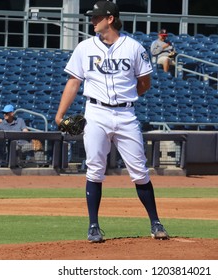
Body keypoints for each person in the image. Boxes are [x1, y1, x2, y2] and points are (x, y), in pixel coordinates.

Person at [55, 0, 168, 243]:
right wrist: (59, 115)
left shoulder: (134, 48)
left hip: (126, 114)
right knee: (95, 169)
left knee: (139, 171)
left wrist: (128, 96)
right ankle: (93, 226)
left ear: (110, 19)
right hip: (95, 112)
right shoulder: (85, 48)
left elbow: (145, 81)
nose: (92, 21)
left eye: (96, 17)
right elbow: (73, 82)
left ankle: (155, 222)